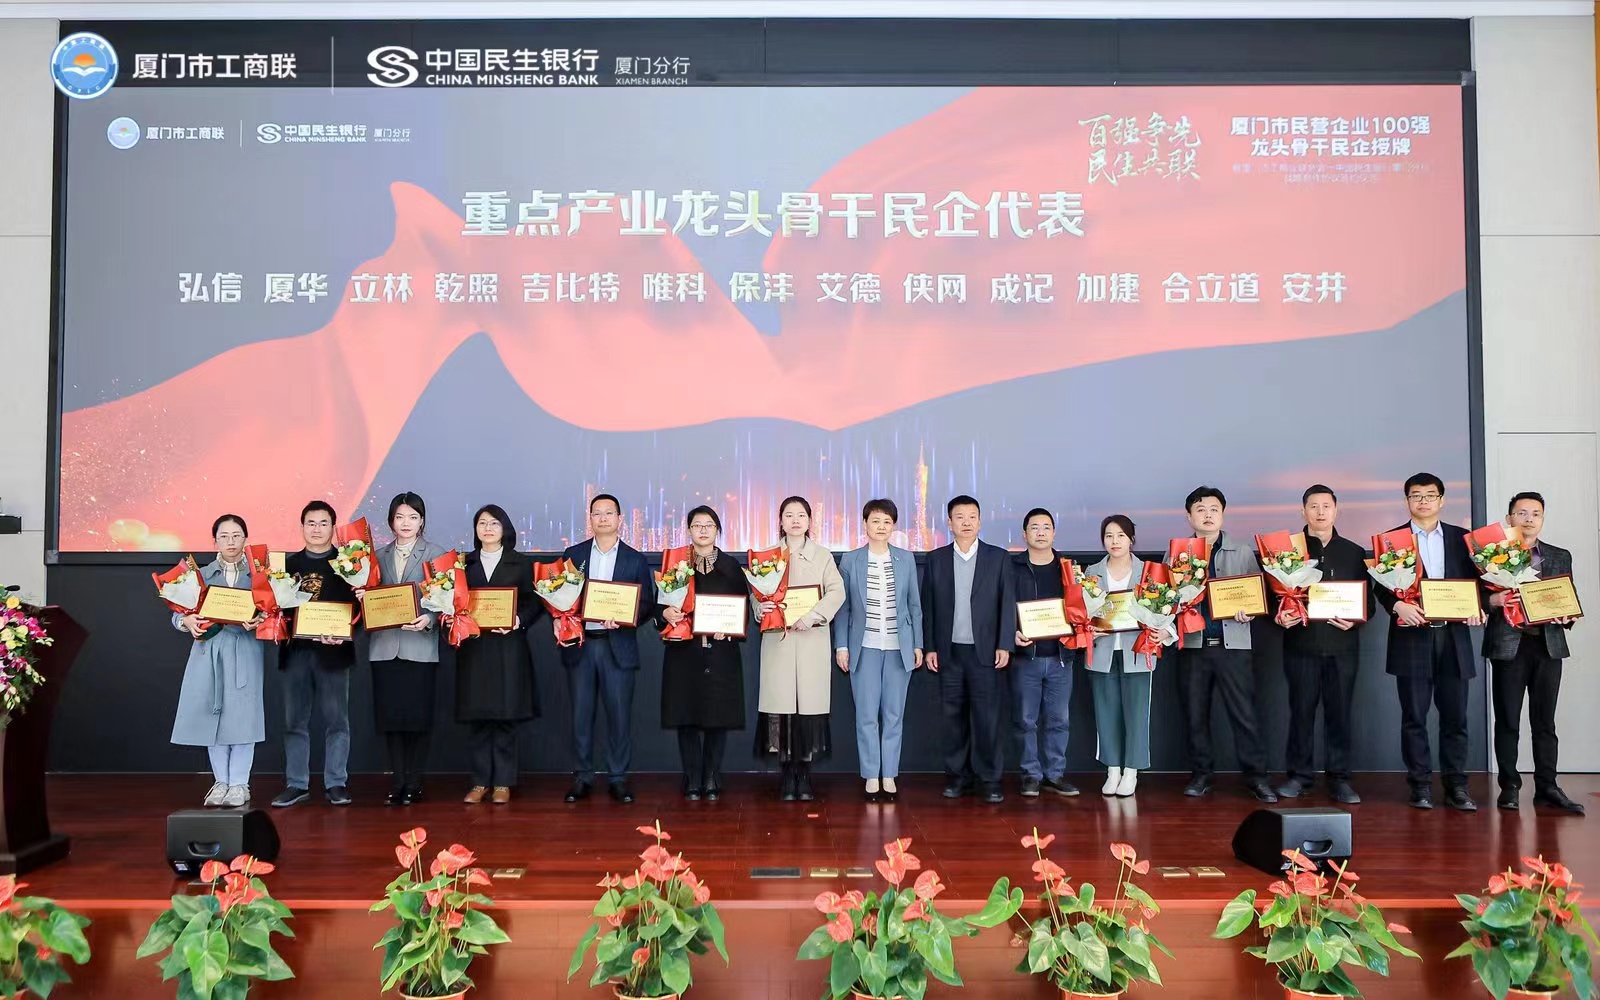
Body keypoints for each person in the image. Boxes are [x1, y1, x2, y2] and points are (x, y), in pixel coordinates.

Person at [1376, 472, 1485, 812]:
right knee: (1414, 717)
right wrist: (1397, 605)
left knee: (1456, 718)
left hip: (1453, 637)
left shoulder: (1462, 539)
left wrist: (1477, 607)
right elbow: (1380, 586)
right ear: (1407, 500)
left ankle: (1457, 787)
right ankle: (1420, 786)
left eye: (1430, 495)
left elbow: (1480, 582)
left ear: (1442, 500)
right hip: (1412, 636)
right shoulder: (1391, 540)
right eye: (1416, 495)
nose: (1423, 501)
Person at [1483, 492, 1583, 814]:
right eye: (1521, 513)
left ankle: (1548, 787)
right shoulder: (1492, 554)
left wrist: (1568, 615)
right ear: (1509, 518)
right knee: (1507, 721)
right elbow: (1477, 597)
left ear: (1542, 518)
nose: (1528, 519)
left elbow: (1567, 597)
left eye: (1535, 513)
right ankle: (1509, 787)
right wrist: (1493, 601)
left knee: (1544, 722)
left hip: (1547, 646)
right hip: (1509, 645)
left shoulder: (1559, 555)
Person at [1175, 486, 1277, 803]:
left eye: (1214, 509)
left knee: (1245, 715)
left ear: (1222, 514)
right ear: (1189, 516)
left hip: (1233, 645)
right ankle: (1201, 775)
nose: (1207, 515)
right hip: (1194, 646)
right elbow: (1164, 598)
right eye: (1200, 509)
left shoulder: (1242, 552)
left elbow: (1258, 595)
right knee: (1195, 715)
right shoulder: (1177, 553)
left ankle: (1257, 778)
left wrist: (1251, 610)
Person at [1273, 485, 1373, 805]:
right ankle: (1299, 777)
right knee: (1301, 714)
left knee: (1340, 715)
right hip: (1301, 645)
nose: (1320, 512)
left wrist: (1355, 619)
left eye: (1326, 506)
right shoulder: (1287, 552)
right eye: (1313, 506)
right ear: (1302, 511)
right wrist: (1280, 615)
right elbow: (1272, 596)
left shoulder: (1354, 552)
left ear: (1335, 510)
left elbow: (1368, 601)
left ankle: (1340, 779)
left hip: (1342, 647)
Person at [560, 493, 658, 805]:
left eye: (609, 513)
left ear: (620, 519)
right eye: (597, 513)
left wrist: (626, 617)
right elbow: (560, 597)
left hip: (618, 646)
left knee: (619, 716)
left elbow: (646, 603)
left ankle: (618, 777)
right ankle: (582, 776)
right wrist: (563, 616)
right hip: (582, 645)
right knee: (580, 716)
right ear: (590, 518)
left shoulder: (635, 559)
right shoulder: (573, 555)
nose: (602, 518)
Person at [922, 495, 1016, 804]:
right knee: (953, 719)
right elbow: (928, 607)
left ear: (980, 521)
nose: (966, 522)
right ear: (949, 522)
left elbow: (1007, 604)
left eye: (972, 516)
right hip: (949, 652)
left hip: (986, 652)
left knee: (987, 719)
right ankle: (957, 777)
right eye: (959, 517)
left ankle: (990, 779)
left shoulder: (998, 558)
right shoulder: (936, 559)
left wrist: (1004, 644)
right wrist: (930, 647)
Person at [170, 514, 266, 808]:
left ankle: (239, 783)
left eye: (236, 536)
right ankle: (221, 781)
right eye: (224, 536)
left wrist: (260, 619)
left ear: (245, 539)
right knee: (213, 715)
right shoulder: (199, 575)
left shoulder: (259, 575)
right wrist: (186, 621)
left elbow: (273, 612)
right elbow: (177, 614)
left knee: (244, 716)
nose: (230, 542)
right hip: (208, 652)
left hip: (245, 649)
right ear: (215, 541)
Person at [755, 496, 846, 802]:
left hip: (810, 639)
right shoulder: (768, 556)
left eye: (801, 515)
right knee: (782, 710)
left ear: (809, 521)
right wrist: (760, 607)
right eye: (789, 515)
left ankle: (804, 775)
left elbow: (837, 592)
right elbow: (755, 595)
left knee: (808, 710)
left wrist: (813, 616)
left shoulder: (822, 555)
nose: (795, 520)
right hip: (778, 641)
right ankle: (786, 775)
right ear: (780, 521)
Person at [833, 499, 924, 803]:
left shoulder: (905, 558)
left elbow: (914, 605)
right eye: (875, 521)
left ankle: (890, 775)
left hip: (899, 648)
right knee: (867, 715)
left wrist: (918, 644)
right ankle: (871, 775)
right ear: (865, 524)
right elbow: (843, 608)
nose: (881, 527)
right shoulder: (850, 560)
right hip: (864, 648)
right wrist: (842, 645)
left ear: (893, 526)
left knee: (894, 715)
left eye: (887, 521)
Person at [657, 506, 747, 801]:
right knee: (686, 715)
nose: (703, 530)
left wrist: (730, 628)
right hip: (684, 651)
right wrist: (665, 613)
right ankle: (692, 777)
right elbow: (659, 606)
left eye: (709, 525)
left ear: (717, 530)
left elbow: (743, 607)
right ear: (689, 530)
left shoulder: (731, 567)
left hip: (720, 652)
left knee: (717, 715)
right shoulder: (675, 565)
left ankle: (711, 776)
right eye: (697, 525)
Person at [271, 501, 355, 809]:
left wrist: (344, 630)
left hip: (335, 653)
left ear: (333, 527)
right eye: (311, 523)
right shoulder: (285, 565)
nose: (316, 529)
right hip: (296, 653)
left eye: (323, 523)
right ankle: (296, 784)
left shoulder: (349, 566)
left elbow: (360, 609)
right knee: (294, 721)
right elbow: (274, 609)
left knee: (337, 721)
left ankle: (336, 783)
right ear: (302, 527)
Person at [456, 504, 542, 805]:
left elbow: (534, 603)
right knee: (478, 717)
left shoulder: (520, 563)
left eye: (494, 523)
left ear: (505, 528)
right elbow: (453, 601)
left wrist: (517, 620)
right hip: (475, 648)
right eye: (482, 523)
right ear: (475, 529)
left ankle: (503, 782)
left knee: (506, 716)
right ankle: (480, 782)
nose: (488, 528)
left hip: (508, 647)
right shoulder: (463, 564)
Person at [368, 491, 447, 807]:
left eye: (413, 517)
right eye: (400, 517)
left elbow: (448, 599)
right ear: (391, 521)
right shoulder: (375, 556)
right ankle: (397, 781)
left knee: (417, 719)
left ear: (422, 521)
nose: (406, 523)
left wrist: (429, 619)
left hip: (420, 647)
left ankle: (414, 781)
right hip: (385, 647)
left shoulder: (437, 554)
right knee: (391, 720)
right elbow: (370, 597)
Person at [1082, 514, 1160, 798]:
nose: (1114, 541)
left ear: (1131, 539)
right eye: (1109, 536)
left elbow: (1166, 608)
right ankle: (1112, 769)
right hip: (1102, 650)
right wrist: (1088, 630)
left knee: (1137, 714)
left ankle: (1131, 771)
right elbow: (1080, 613)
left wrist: (1163, 631)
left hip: (1137, 651)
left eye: (1120, 536)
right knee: (1106, 712)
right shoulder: (1091, 572)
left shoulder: (1148, 571)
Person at [1009, 508, 1079, 798]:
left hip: (1061, 657)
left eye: (1046, 527)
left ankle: (1055, 774)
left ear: (1054, 532)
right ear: (1024, 534)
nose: (1040, 532)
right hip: (1026, 657)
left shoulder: (1068, 569)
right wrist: (1011, 633)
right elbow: (1001, 606)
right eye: (1034, 527)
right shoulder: (1012, 567)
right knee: (1025, 721)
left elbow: (1081, 609)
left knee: (1059, 720)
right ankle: (1031, 774)